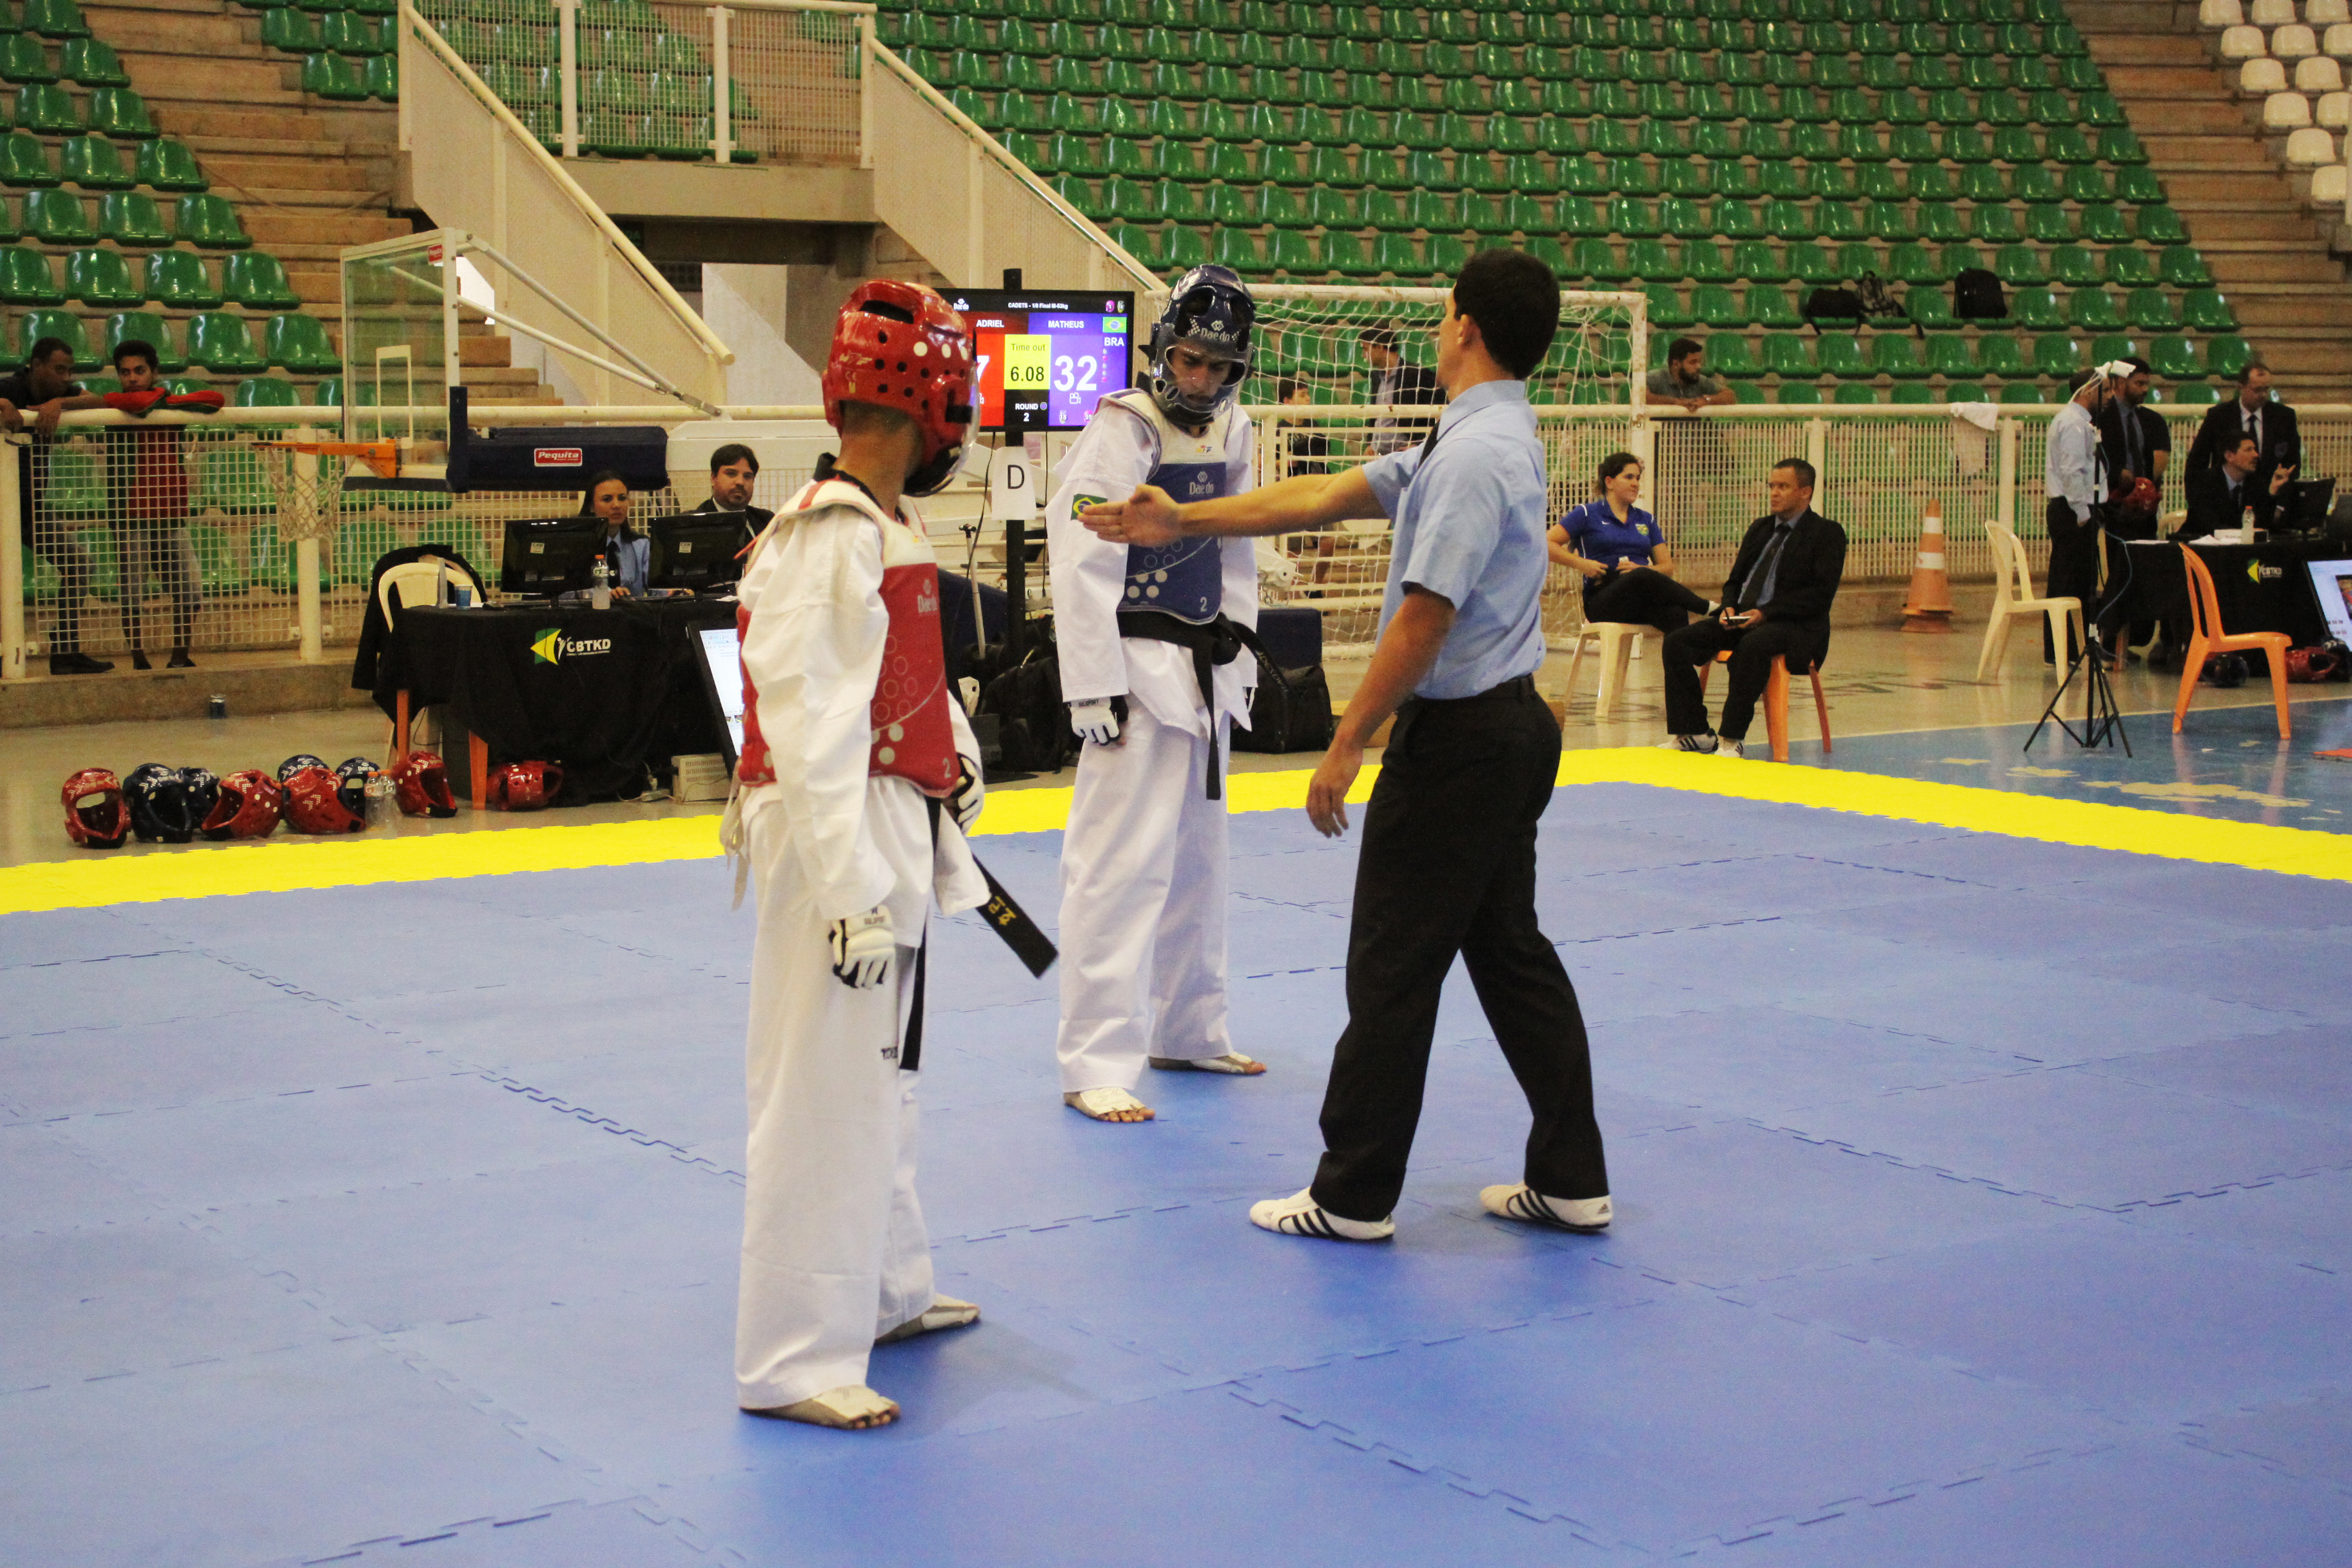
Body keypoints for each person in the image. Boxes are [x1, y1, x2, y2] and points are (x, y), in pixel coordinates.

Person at [1082, 248, 1612, 1243]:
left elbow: (1424, 615)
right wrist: (1180, 520)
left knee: (1391, 967)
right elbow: (1325, 495)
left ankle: (1353, 1194)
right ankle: (1572, 1177)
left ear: (1465, 327)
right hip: (1509, 732)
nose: (1439, 326)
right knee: (1511, 956)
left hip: (1462, 741)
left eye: (1445, 312)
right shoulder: (1488, 432)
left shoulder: (1473, 456)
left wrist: (1348, 740)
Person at [728, 278, 990, 1432]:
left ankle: (886, 1288)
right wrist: (845, 895)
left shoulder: (886, 526)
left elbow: (908, 678)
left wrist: (954, 758)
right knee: (822, 1093)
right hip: (831, 829)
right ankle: (792, 1357)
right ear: (930, 402)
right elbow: (807, 727)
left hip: (890, 813)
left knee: (887, 1078)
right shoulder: (823, 537)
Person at [1044, 263, 1265, 1124]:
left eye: (1217, 366)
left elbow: (1238, 545)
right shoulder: (1123, 425)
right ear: (1162, 349)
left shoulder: (1236, 426)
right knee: (1117, 867)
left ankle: (1189, 1027)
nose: (1199, 379)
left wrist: (1240, 653)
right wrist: (1091, 686)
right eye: (1188, 359)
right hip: (1134, 667)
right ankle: (1094, 1059)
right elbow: (1080, 556)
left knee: (1200, 864)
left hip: (1204, 666)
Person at [1656, 459, 1846, 758]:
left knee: (1753, 646)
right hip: (1744, 618)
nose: (1774, 493)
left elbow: (1819, 596)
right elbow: (1735, 581)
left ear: (1805, 492)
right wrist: (1729, 607)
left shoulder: (1827, 533)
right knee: (1677, 642)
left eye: (1783, 486)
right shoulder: (1760, 529)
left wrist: (1766, 613)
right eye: (1771, 486)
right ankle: (1694, 732)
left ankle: (1732, 739)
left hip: (1795, 626)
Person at [0, 337, 112, 672]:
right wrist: (2, 403)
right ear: (36, 366)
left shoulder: (61, 393)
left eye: (69, 371)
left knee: (79, 563)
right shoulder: (12, 387)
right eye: (58, 370)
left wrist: (60, 403)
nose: (66, 377)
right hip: (2, 505)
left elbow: (100, 400)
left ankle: (65, 651)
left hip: (31, 507)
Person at [105, 340, 201, 670]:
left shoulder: (169, 408)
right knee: (133, 594)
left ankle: (179, 657)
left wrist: (164, 398)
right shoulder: (114, 411)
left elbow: (213, 400)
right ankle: (139, 661)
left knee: (190, 592)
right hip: (130, 517)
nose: (132, 378)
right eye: (125, 372)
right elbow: (135, 403)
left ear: (154, 372)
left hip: (171, 515)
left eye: (139, 371)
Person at [1550, 451, 1713, 636]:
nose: (1635, 483)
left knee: (1676, 613)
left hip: (1639, 599)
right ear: (1610, 482)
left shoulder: (1646, 519)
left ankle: (1689, 651)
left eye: (1637, 478)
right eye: (1629, 477)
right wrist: (1581, 564)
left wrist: (1640, 569)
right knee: (1640, 576)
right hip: (1602, 598)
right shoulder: (1587, 513)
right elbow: (1547, 544)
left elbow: (1667, 567)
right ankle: (1706, 607)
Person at [2044, 365, 2114, 663]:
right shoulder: (2073, 424)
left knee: (2080, 583)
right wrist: (2082, 512)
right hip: (2072, 511)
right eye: (2106, 390)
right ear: (2088, 391)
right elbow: (2072, 472)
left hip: (2074, 509)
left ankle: (2073, 647)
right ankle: (2062, 650)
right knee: (2068, 583)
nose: (2110, 397)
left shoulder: (2078, 422)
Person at [2186, 361, 2300, 495]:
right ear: (2241, 388)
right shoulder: (2219, 416)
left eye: (2266, 389)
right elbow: (2197, 462)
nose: (2263, 395)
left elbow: (2293, 462)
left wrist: (2285, 475)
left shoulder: (2284, 416)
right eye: (2257, 390)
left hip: (2271, 496)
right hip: (2226, 498)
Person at [2181, 431, 2293, 540]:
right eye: (2248, 450)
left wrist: (2272, 491)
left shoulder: (2256, 483)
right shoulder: (2204, 481)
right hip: (2200, 544)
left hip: (2240, 546)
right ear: (2229, 456)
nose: (2256, 455)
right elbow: (2208, 524)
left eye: (2255, 449)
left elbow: (2263, 525)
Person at [1358, 322, 1443, 454]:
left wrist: (1418, 445)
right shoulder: (1375, 376)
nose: (1363, 355)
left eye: (1365, 349)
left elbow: (1441, 410)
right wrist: (1371, 443)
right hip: (1379, 454)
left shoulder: (1417, 374)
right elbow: (1376, 415)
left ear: (1380, 347)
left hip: (1406, 455)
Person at [576, 469, 648, 598]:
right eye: (607, 499)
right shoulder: (577, 547)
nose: (617, 505)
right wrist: (604, 595)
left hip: (633, 610)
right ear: (591, 506)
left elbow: (656, 588)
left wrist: (672, 592)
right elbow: (569, 593)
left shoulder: (642, 545)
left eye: (622, 498)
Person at [1645, 337, 1737, 414]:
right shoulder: (1655, 378)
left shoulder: (1700, 380)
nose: (1699, 366)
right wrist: (1675, 402)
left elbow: (1730, 396)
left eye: (1699, 362)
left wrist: (1707, 400)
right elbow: (1641, 397)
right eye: (1693, 362)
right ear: (1676, 364)